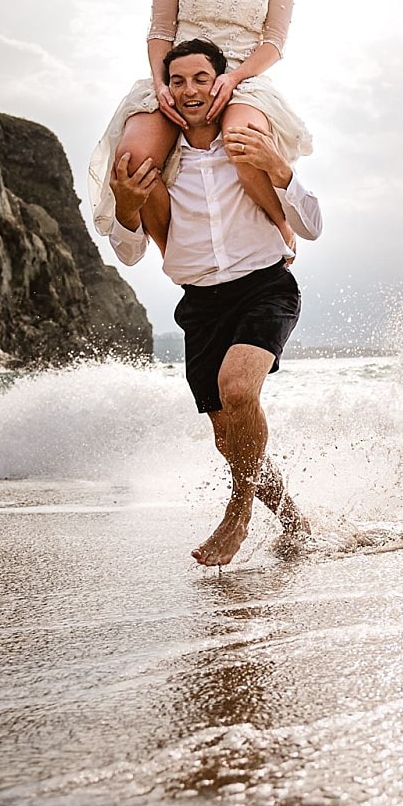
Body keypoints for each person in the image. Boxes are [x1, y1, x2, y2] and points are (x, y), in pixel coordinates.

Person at [107, 38, 323, 567]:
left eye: (201, 78)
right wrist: (127, 207)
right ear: (164, 92)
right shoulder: (161, 168)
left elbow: (312, 227)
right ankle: (295, 523)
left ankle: (237, 511)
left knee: (238, 389)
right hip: (201, 305)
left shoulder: (249, 149)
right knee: (231, 440)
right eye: (177, 81)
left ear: (221, 84)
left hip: (265, 288)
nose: (190, 91)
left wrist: (281, 169)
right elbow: (129, 252)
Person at [89, 0, 312, 256]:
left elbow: (275, 42)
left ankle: (283, 229)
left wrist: (233, 78)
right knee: (133, 158)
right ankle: (171, 253)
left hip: (240, 79)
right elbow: (161, 29)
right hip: (181, 75)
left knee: (244, 143)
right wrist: (161, 84)